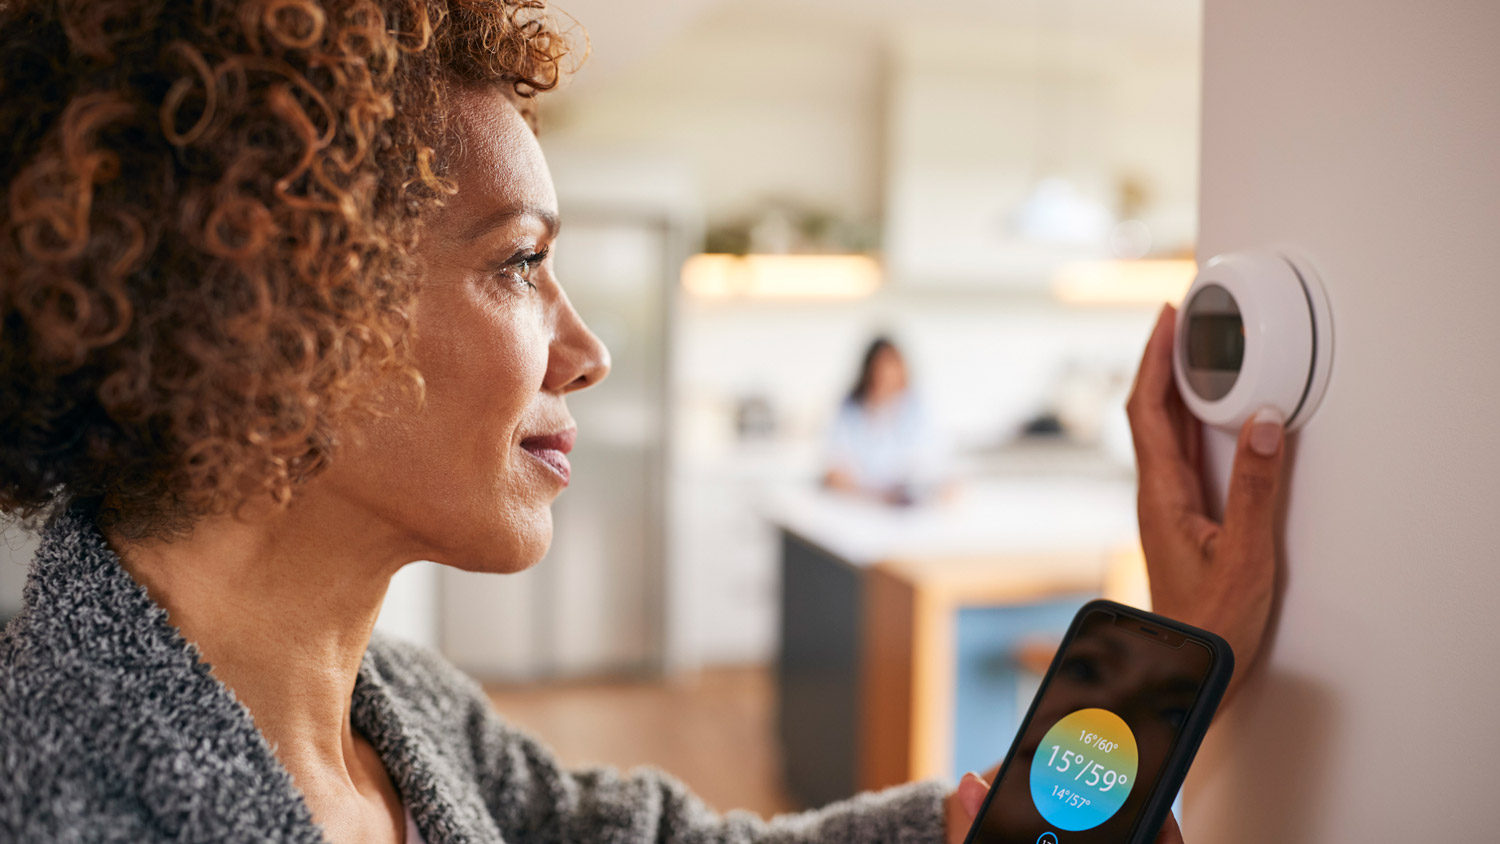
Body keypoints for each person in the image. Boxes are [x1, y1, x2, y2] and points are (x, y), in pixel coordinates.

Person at [0, 2, 1286, 843]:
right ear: (274, 304)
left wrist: (1156, 674)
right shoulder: (48, 796)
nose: (588, 347)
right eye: (516, 263)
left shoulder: (396, 708)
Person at [823, 336, 942, 505]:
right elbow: (835, 471)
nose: (883, 378)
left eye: (889, 371)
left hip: (903, 507)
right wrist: (875, 494)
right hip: (859, 505)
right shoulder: (850, 408)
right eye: (878, 371)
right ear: (867, 373)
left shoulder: (915, 407)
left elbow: (928, 463)